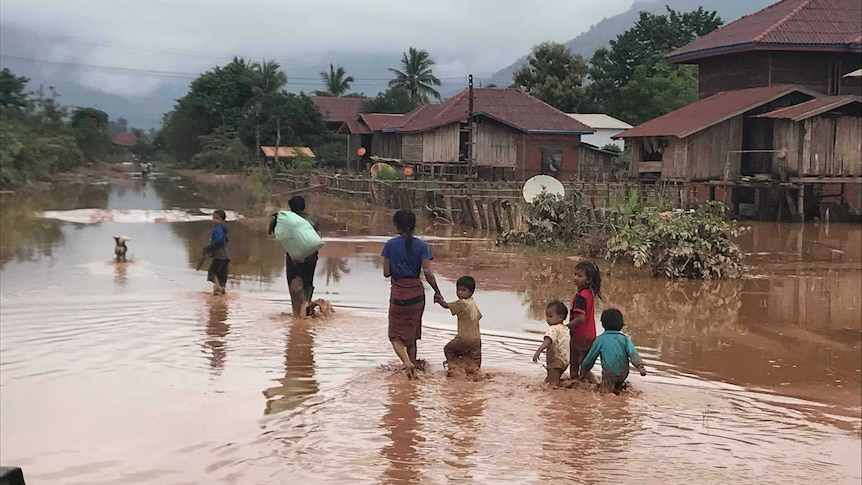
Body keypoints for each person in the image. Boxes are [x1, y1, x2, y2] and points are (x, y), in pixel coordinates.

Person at [382, 209, 442, 379]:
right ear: (414, 226)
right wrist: (437, 292)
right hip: (417, 294)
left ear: (396, 225)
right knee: (412, 335)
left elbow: (386, 273)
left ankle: (407, 363)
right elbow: (428, 274)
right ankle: (413, 369)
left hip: (399, 294)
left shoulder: (390, 245)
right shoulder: (422, 246)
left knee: (395, 335)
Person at [268, 196, 320, 318]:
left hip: (294, 256)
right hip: (311, 255)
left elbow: (272, 229)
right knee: (307, 281)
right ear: (304, 206)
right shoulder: (313, 220)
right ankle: (306, 304)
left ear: (290, 208)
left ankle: (298, 314)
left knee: (294, 283)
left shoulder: (286, 219)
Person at [580, 308, 647, 394]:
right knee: (617, 392)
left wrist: (584, 369)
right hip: (623, 373)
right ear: (621, 324)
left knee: (606, 395)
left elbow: (590, 358)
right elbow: (633, 353)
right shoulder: (625, 339)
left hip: (609, 374)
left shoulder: (600, 340)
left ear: (603, 324)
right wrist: (640, 366)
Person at [434, 276, 482, 374]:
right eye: (458, 289)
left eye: (463, 290)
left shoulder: (462, 303)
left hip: (463, 338)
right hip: (476, 339)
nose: (460, 292)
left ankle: (455, 368)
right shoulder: (472, 304)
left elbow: (446, 305)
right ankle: (475, 374)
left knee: (448, 349)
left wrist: (439, 300)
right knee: (475, 362)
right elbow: (478, 317)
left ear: (471, 292)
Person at [568, 260, 602, 381]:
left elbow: (580, 319)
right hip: (590, 335)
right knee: (584, 366)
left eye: (579, 276)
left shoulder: (581, 297)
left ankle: (596, 383)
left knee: (574, 366)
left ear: (588, 280)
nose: (575, 277)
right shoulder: (589, 293)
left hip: (580, 336)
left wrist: (565, 327)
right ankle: (591, 384)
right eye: (575, 274)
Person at [532, 301, 571, 387]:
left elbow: (547, 341)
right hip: (565, 361)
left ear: (560, 317)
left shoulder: (553, 329)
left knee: (553, 385)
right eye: (547, 316)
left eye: (550, 316)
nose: (547, 319)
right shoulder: (566, 329)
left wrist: (538, 351)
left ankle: (556, 395)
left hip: (555, 361)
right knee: (550, 379)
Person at [203, 209, 229, 295]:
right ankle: (221, 290)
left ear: (222, 220)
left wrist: (209, 247)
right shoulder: (223, 229)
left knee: (212, 273)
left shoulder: (217, 229)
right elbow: (225, 240)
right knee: (222, 277)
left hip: (219, 256)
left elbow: (219, 240)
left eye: (217, 218)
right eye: (213, 218)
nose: (214, 220)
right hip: (226, 257)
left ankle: (217, 288)